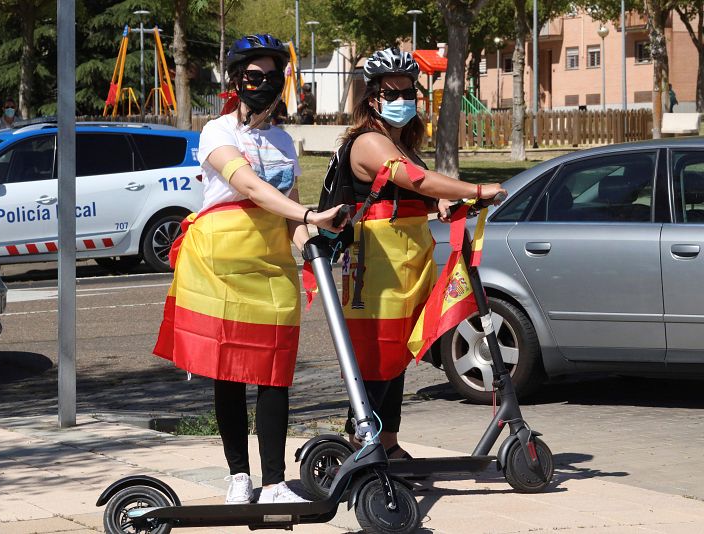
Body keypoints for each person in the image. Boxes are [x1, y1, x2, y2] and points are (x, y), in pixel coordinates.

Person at [153, 34, 345, 505]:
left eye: (272, 77)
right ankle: (239, 475)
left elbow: (289, 208)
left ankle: (276, 482)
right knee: (230, 370)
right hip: (220, 264)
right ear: (237, 79)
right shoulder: (217, 131)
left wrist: (314, 243)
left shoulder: (283, 140)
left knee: (275, 372)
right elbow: (249, 186)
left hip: (272, 264)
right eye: (253, 76)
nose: (262, 84)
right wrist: (309, 217)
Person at [339, 47, 506, 458]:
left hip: (407, 262)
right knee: (376, 357)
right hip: (374, 266)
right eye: (391, 94)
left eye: (408, 93)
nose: (402, 101)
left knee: (395, 359)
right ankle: (361, 441)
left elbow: (412, 197)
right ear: (372, 98)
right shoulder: (369, 142)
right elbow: (414, 179)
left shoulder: (402, 142)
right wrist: (474, 189)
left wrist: (441, 205)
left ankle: (389, 444)